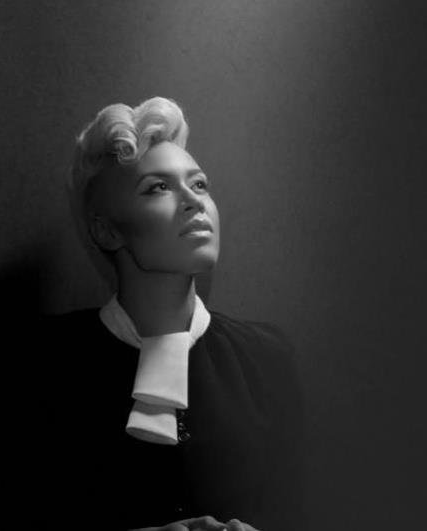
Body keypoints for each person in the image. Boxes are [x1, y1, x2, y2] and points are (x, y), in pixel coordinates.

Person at [33, 96, 305, 531]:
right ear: (106, 230)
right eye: (158, 188)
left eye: (199, 184)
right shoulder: (42, 363)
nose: (194, 201)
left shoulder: (267, 357)